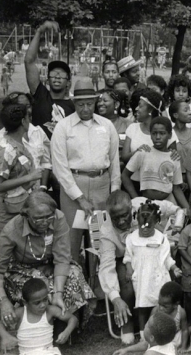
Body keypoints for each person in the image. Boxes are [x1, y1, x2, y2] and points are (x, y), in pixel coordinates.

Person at [0, 192, 95, 333]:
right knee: (40, 285)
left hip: (51, 264)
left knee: (74, 274)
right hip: (21, 269)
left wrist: (58, 294)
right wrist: (3, 301)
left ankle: (67, 323)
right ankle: (39, 326)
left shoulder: (58, 217)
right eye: (38, 218)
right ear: (26, 215)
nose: (45, 221)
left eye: (49, 216)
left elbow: (62, 258)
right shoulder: (11, 230)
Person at [98, 190, 184, 344]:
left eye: (125, 215)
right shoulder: (106, 231)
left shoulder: (142, 205)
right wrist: (115, 298)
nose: (122, 221)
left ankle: (162, 320)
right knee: (126, 281)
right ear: (109, 215)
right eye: (115, 218)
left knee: (164, 277)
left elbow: (171, 208)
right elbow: (106, 266)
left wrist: (176, 225)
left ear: (132, 208)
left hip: (151, 253)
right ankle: (128, 322)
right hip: (125, 259)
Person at [51, 79, 121, 262]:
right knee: (71, 240)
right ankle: (74, 280)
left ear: (95, 102)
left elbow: (114, 161)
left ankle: (98, 282)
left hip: (101, 185)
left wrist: (114, 192)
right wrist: (79, 198)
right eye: (81, 104)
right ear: (74, 103)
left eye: (90, 104)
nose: (85, 109)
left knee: (101, 239)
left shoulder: (106, 126)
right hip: (73, 186)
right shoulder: (63, 127)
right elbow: (60, 167)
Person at [123, 201, 182, 331]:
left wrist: (174, 268)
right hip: (141, 276)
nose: (144, 228)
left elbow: (167, 258)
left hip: (158, 275)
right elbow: (128, 257)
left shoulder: (161, 238)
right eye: (141, 226)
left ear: (156, 222)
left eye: (148, 226)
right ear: (137, 220)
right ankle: (144, 332)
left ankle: (161, 328)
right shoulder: (131, 238)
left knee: (160, 304)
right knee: (143, 304)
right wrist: (128, 269)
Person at [0, 278, 78, 354]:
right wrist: (5, 336)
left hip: (48, 352)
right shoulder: (21, 313)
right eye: (37, 302)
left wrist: (66, 332)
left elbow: (72, 319)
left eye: (45, 299)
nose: (42, 305)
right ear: (25, 303)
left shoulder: (50, 310)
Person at [0, 104, 44, 233]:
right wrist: (30, 177)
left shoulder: (18, 144)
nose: (30, 121)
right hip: (6, 216)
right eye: (29, 117)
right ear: (23, 121)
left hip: (21, 209)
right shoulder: (7, 150)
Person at [24, 21, 75, 138]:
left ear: (68, 82)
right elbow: (29, 61)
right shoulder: (40, 95)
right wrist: (39, 31)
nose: (57, 76)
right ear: (47, 80)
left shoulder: (74, 108)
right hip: (39, 153)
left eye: (61, 74)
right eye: (54, 73)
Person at [122, 117, 187, 208]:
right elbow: (125, 176)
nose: (158, 137)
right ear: (150, 134)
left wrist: (187, 209)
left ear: (170, 135)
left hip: (168, 203)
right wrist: (136, 198)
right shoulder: (143, 152)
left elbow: (176, 188)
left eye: (162, 133)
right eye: (154, 133)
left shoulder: (174, 157)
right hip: (146, 203)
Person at [114, 281, 189, 353]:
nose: (161, 308)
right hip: (160, 340)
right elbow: (148, 333)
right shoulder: (155, 311)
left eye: (165, 306)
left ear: (175, 305)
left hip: (174, 339)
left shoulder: (181, 312)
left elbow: (185, 330)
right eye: (159, 304)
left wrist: (183, 347)